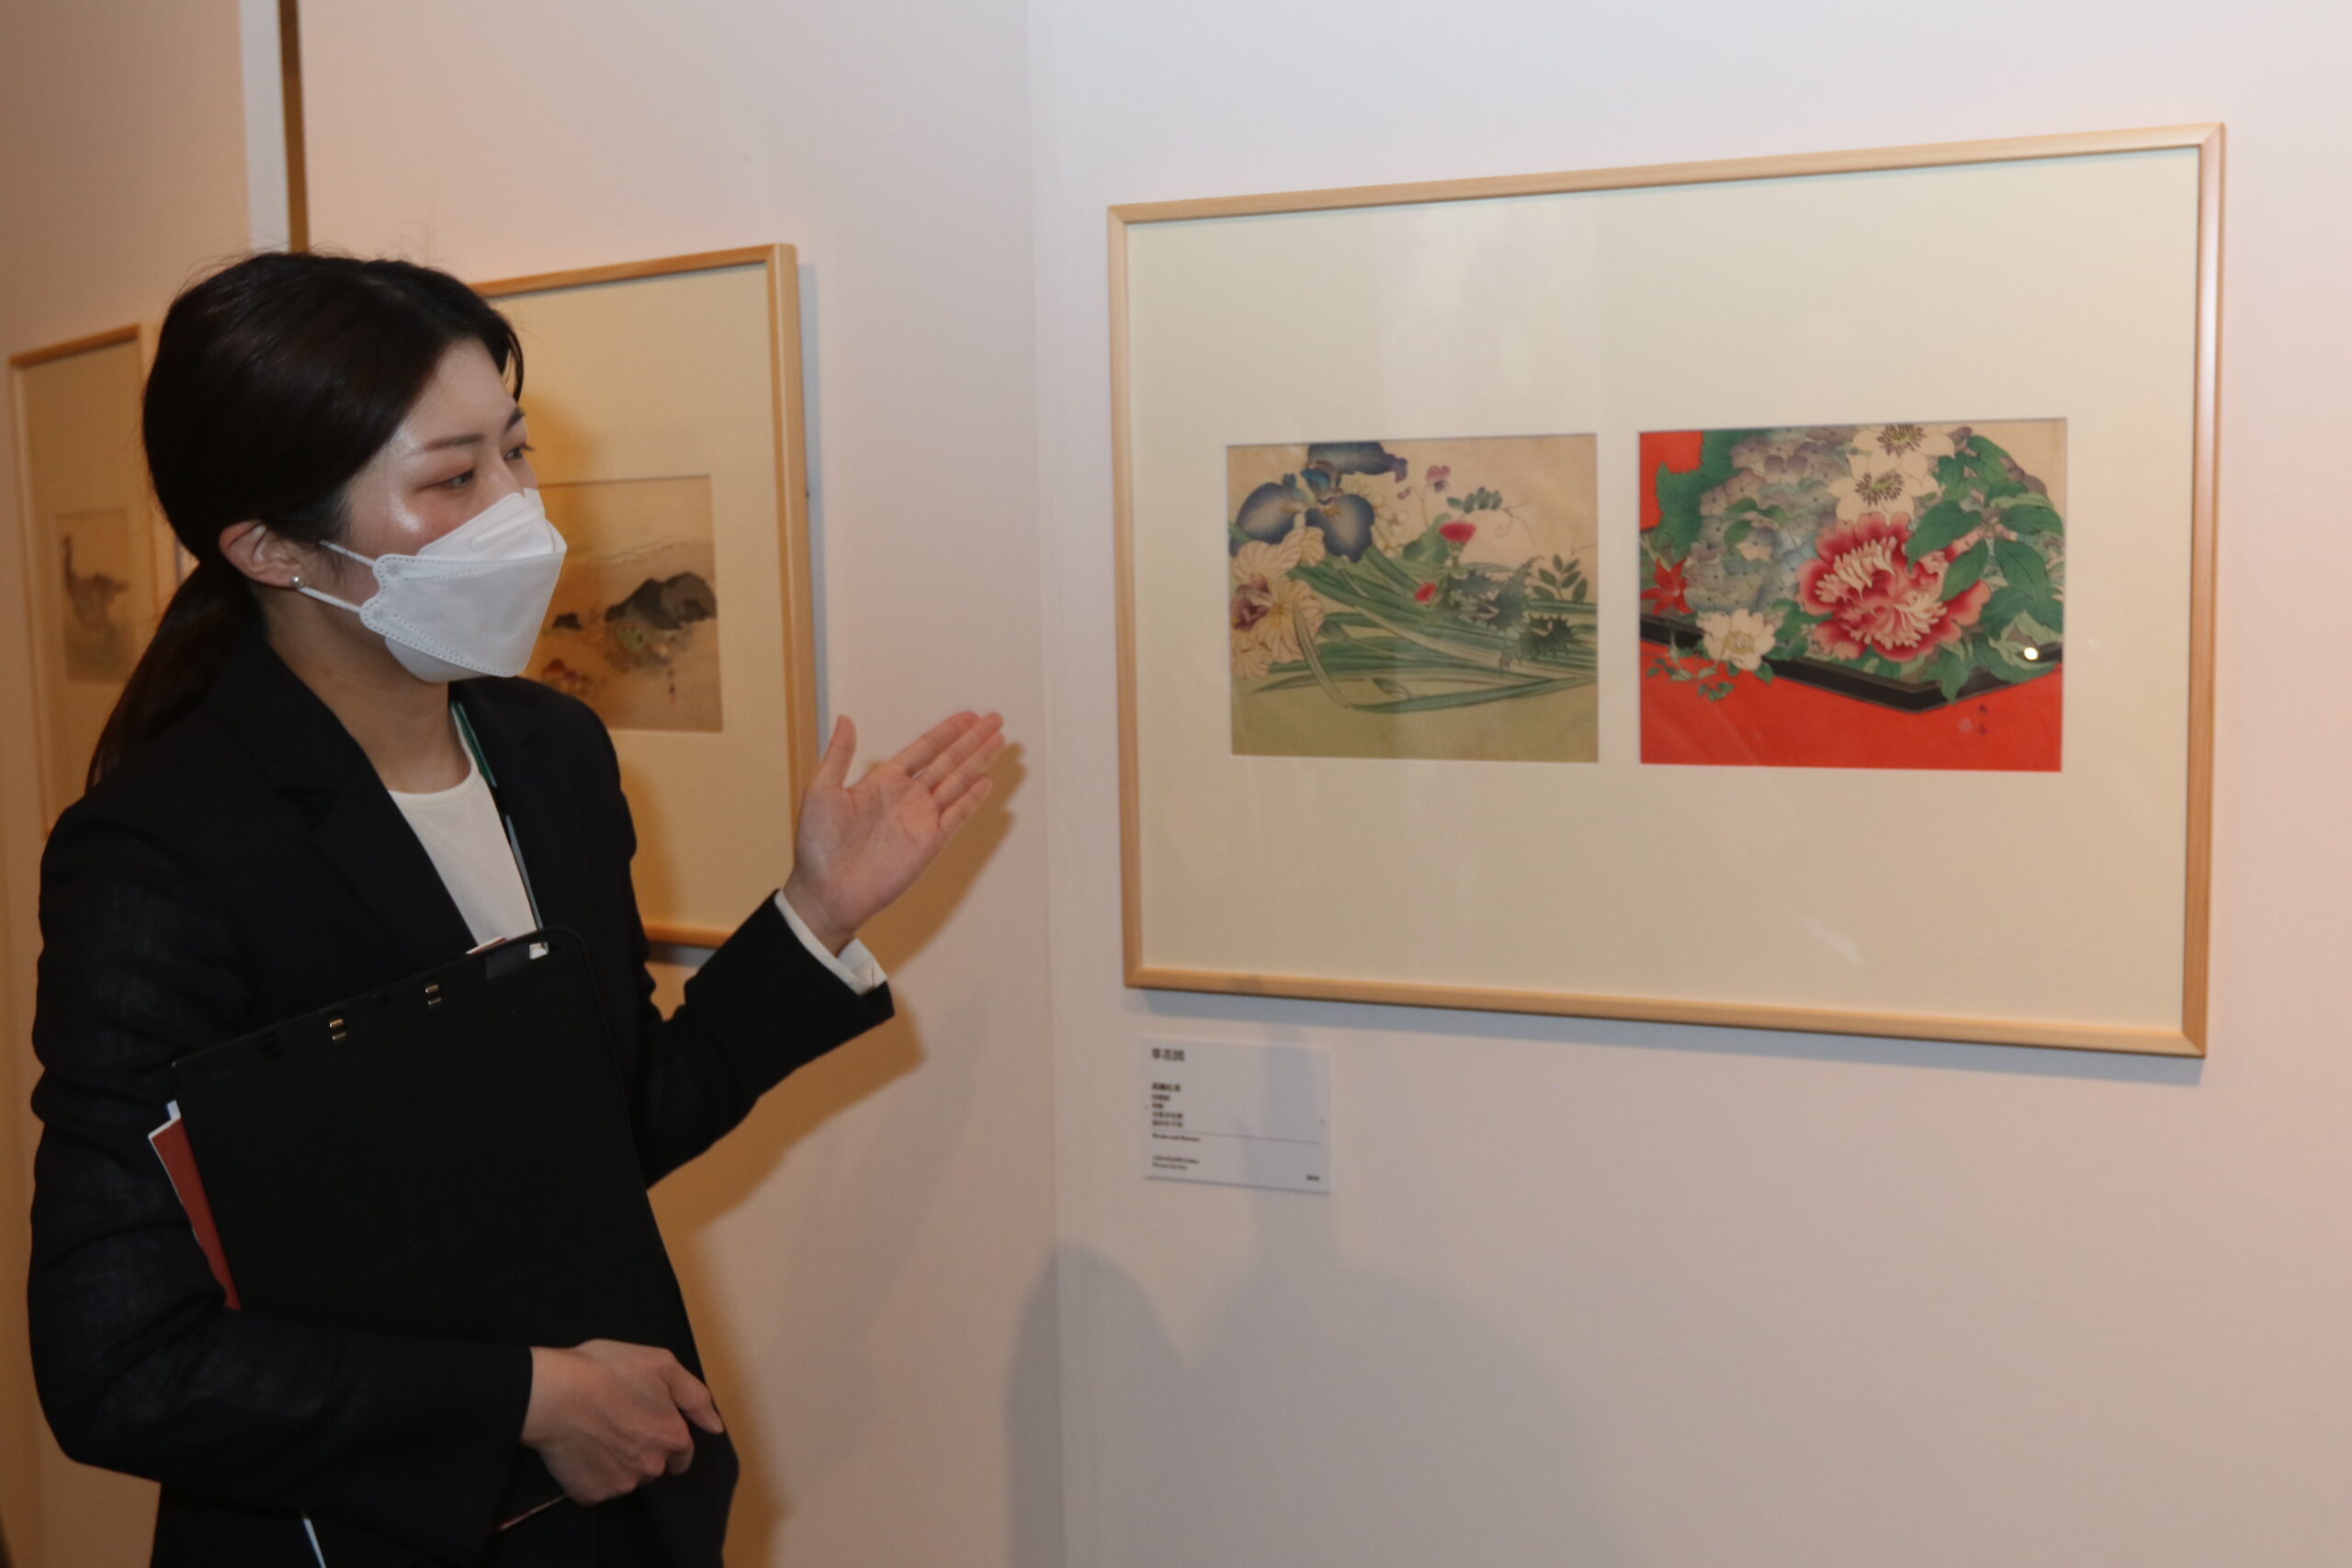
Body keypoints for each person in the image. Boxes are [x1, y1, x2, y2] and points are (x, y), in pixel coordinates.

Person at [24, 252, 1007, 1566]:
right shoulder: (166, 851)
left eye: (517, 451)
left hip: (612, 1521)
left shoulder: (549, 753)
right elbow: (120, 1359)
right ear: (268, 547)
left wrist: (813, 916)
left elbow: (596, 1132)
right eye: (453, 479)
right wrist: (524, 1401)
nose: (519, 513)